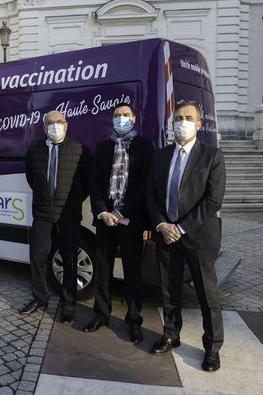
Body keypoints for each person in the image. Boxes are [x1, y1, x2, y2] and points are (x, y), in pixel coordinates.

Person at [146, 100, 226, 372]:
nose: (183, 122)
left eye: (188, 117)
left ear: (199, 124)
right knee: (169, 291)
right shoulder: (160, 156)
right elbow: (151, 194)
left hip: (198, 237)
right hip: (166, 236)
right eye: (178, 117)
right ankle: (171, 333)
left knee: (207, 294)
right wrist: (161, 224)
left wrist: (180, 227)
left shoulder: (212, 156)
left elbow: (213, 199)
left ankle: (212, 347)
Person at [82, 103, 153, 344]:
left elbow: (145, 185)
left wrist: (121, 210)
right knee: (102, 270)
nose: (120, 119)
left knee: (132, 272)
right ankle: (101, 314)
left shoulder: (144, 147)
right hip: (105, 221)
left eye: (125, 115)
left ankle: (134, 321)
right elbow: (94, 183)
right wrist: (103, 211)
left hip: (130, 220)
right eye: (116, 116)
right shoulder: (103, 148)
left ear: (134, 118)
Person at [19, 110, 91, 324]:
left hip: (68, 215)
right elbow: (32, 178)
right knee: (38, 257)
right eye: (50, 123)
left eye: (59, 122)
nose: (55, 126)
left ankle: (69, 303)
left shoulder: (79, 150)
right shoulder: (34, 151)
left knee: (69, 260)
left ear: (66, 125)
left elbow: (86, 183)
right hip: (42, 214)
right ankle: (40, 298)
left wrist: (72, 201)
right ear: (44, 127)